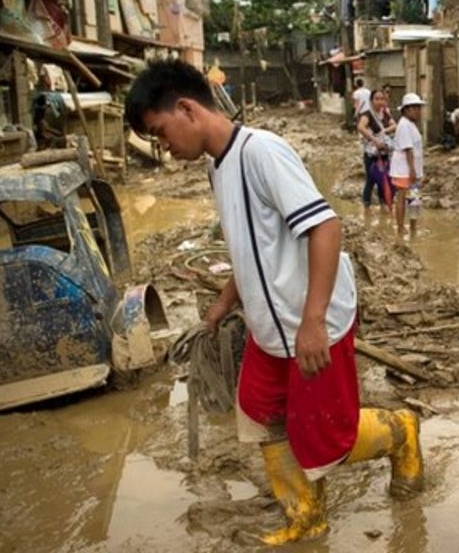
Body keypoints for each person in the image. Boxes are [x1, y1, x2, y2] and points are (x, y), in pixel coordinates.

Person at [125, 60, 423, 545]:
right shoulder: (216, 168)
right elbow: (252, 247)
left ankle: (401, 431)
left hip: (309, 321)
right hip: (270, 326)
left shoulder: (263, 152)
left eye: (160, 134)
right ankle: (306, 514)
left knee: (330, 439)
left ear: (186, 109)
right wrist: (223, 304)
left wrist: (313, 322)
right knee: (260, 412)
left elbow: (325, 227)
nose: (163, 148)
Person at [391, 93, 427, 239]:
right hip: (404, 170)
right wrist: (412, 170)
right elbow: (408, 149)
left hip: (412, 169)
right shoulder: (404, 125)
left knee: (414, 199)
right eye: (414, 108)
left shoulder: (410, 124)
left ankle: (412, 227)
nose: (417, 111)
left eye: (419, 108)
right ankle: (400, 229)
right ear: (406, 110)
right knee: (402, 197)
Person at [357, 89, 396, 217]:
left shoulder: (385, 113)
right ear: (371, 100)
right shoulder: (367, 114)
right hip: (371, 152)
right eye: (377, 99)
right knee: (370, 179)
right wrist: (374, 139)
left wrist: (382, 132)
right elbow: (361, 127)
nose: (380, 102)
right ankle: (366, 205)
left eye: (382, 99)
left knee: (382, 177)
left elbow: (394, 125)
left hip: (384, 151)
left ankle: (383, 204)